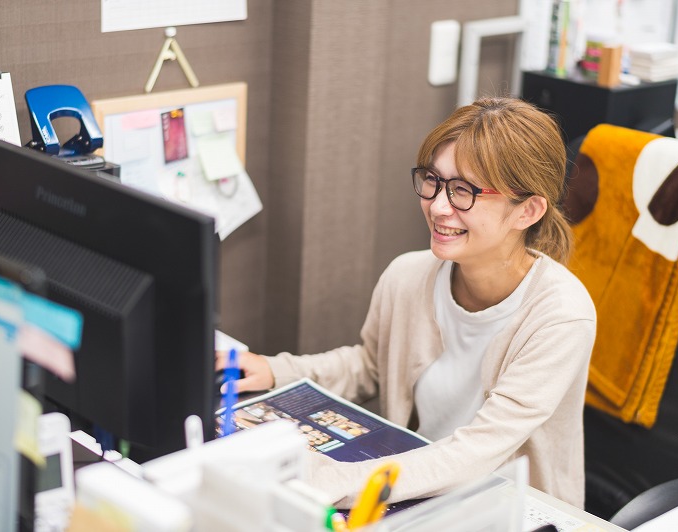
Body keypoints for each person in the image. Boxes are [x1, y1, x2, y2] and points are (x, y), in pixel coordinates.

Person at [222, 97, 596, 509]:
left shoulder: (561, 316)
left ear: (528, 210)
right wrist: (276, 369)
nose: (437, 206)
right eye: (433, 180)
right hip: (415, 489)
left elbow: (477, 452)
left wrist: (335, 481)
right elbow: (370, 366)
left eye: (463, 191)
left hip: (510, 509)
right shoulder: (407, 275)